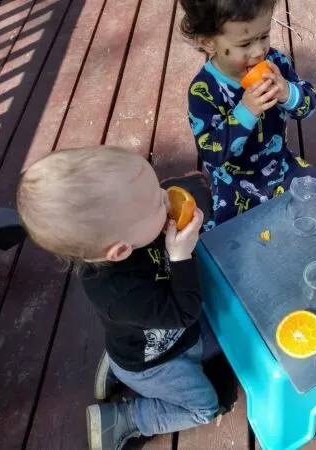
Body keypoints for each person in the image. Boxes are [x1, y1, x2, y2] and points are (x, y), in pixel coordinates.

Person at [17, 146, 220, 449]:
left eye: (156, 185)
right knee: (205, 407)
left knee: (226, 329)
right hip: (158, 362)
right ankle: (128, 417)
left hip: (153, 334)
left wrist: (189, 190)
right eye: (157, 203)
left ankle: (114, 364)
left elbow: (158, 197)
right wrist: (181, 255)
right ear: (121, 250)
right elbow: (184, 313)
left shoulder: (130, 225)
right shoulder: (120, 295)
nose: (167, 196)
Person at [180, 0, 316, 229]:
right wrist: (245, 111)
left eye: (264, 36)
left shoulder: (275, 63)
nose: (259, 51)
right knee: (228, 235)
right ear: (208, 42)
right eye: (246, 43)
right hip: (234, 184)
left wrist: (288, 92)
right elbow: (211, 153)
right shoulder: (205, 90)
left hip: (279, 165)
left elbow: (308, 105)